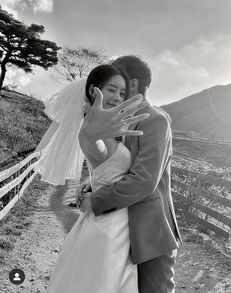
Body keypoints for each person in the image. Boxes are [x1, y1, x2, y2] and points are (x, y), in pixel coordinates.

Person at [77, 55, 183, 293]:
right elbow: (119, 166)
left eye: (121, 83)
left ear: (133, 84)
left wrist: (97, 201)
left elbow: (144, 180)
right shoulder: (120, 121)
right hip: (121, 230)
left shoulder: (155, 120)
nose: (116, 92)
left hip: (150, 233)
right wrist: (91, 184)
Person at [41, 64, 150, 293]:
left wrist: (91, 182)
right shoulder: (90, 132)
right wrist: (93, 135)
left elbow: (106, 168)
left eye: (122, 92)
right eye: (111, 89)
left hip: (117, 219)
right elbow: (97, 149)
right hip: (109, 226)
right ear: (93, 91)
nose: (117, 97)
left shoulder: (105, 130)